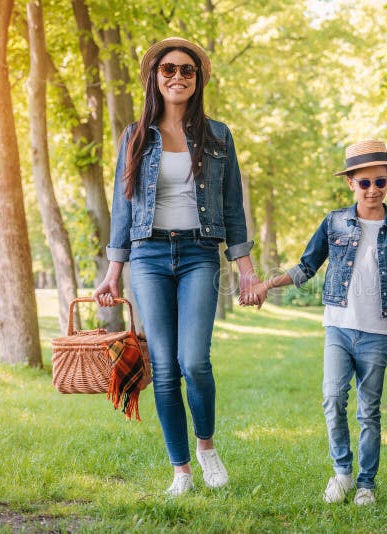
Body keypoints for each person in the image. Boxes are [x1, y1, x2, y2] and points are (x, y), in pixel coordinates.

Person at [94, 37, 263, 496]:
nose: (177, 77)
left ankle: (206, 447)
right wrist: (113, 272)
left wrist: (246, 269)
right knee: (164, 368)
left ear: (197, 79)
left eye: (187, 70)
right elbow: (123, 208)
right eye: (168, 69)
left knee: (195, 362)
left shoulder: (219, 136)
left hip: (199, 254)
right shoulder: (135, 135)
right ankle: (181, 470)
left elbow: (232, 209)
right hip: (148, 256)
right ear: (155, 77)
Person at [241, 140, 387, 506]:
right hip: (338, 327)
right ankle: (343, 474)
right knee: (333, 399)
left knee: (369, 410)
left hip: (377, 333)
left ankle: (366, 484)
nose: (372, 190)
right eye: (364, 183)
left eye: (379, 182)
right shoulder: (335, 222)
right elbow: (306, 266)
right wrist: (266, 284)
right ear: (350, 183)